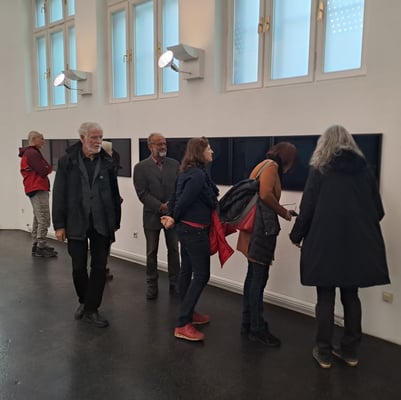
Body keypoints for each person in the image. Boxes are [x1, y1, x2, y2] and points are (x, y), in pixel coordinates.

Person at [289, 125, 390, 369]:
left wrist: (296, 235)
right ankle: (350, 352)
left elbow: (307, 209)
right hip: (356, 246)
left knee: (325, 297)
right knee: (351, 296)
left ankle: (323, 352)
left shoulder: (319, 170)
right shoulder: (365, 171)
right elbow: (378, 211)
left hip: (325, 245)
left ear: (323, 144)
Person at [52, 122, 121, 328]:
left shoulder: (107, 161)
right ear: (82, 138)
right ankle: (84, 301)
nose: (98, 141)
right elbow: (59, 193)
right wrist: (59, 225)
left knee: (99, 268)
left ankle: (92, 309)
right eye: (94, 137)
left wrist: (115, 222)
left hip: (101, 223)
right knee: (78, 268)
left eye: (100, 137)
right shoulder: (67, 161)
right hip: (76, 222)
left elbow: (114, 193)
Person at [237, 142, 297, 347]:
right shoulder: (271, 167)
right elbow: (264, 194)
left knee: (252, 277)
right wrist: (283, 212)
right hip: (260, 231)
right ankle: (256, 329)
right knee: (258, 279)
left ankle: (247, 323)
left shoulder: (262, 164)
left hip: (253, 229)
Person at [161, 137, 218, 342]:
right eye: (209, 148)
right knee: (202, 275)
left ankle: (188, 312)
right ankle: (183, 323)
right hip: (194, 231)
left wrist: (173, 217)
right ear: (199, 152)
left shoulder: (186, 172)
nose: (212, 151)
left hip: (186, 230)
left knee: (186, 270)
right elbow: (183, 200)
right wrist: (173, 217)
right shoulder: (198, 176)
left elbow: (175, 198)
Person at [133, 133, 180, 300]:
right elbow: (142, 193)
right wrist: (160, 207)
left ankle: (175, 282)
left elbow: (179, 188)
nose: (163, 147)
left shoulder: (174, 164)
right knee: (151, 252)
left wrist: (170, 205)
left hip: (172, 215)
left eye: (164, 143)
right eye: (159, 144)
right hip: (151, 216)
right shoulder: (140, 167)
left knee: (173, 249)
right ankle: (152, 284)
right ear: (150, 146)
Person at [18, 131, 58, 257]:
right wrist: (47, 167)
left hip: (34, 188)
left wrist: (47, 167)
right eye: (42, 139)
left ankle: (37, 244)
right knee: (44, 217)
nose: (43, 141)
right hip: (37, 187)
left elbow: (46, 168)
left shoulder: (30, 153)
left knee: (38, 216)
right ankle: (41, 246)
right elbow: (44, 170)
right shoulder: (32, 153)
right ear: (34, 139)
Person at [101, 140, 123, 281]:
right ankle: (101, 267)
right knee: (103, 241)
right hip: (104, 213)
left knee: (106, 240)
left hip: (109, 211)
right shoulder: (104, 169)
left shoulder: (109, 168)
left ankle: (103, 266)